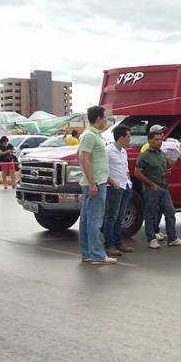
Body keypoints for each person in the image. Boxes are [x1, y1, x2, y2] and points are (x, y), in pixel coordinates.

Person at [76, 106, 116, 265]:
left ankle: (87, 252)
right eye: (104, 118)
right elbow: (84, 159)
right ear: (98, 119)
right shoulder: (90, 136)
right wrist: (93, 183)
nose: (106, 120)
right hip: (96, 183)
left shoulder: (92, 135)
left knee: (87, 219)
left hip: (95, 181)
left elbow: (81, 156)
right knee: (95, 219)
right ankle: (97, 255)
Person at [135, 127, 181, 248]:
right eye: (157, 139)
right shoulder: (144, 155)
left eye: (161, 139)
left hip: (163, 187)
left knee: (170, 212)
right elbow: (137, 173)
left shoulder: (162, 154)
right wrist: (151, 184)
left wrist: (166, 173)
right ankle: (151, 238)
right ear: (150, 140)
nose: (159, 142)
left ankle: (172, 238)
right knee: (150, 213)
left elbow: (163, 169)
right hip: (151, 189)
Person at [102, 125, 135, 258]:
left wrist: (129, 182)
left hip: (125, 186)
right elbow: (103, 170)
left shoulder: (123, 152)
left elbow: (126, 169)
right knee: (112, 216)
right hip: (114, 188)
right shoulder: (108, 151)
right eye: (128, 136)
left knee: (120, 217)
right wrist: (113, 183)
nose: (130, 139)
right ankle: (109, 245)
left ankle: (118, 243)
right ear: (121, 137)